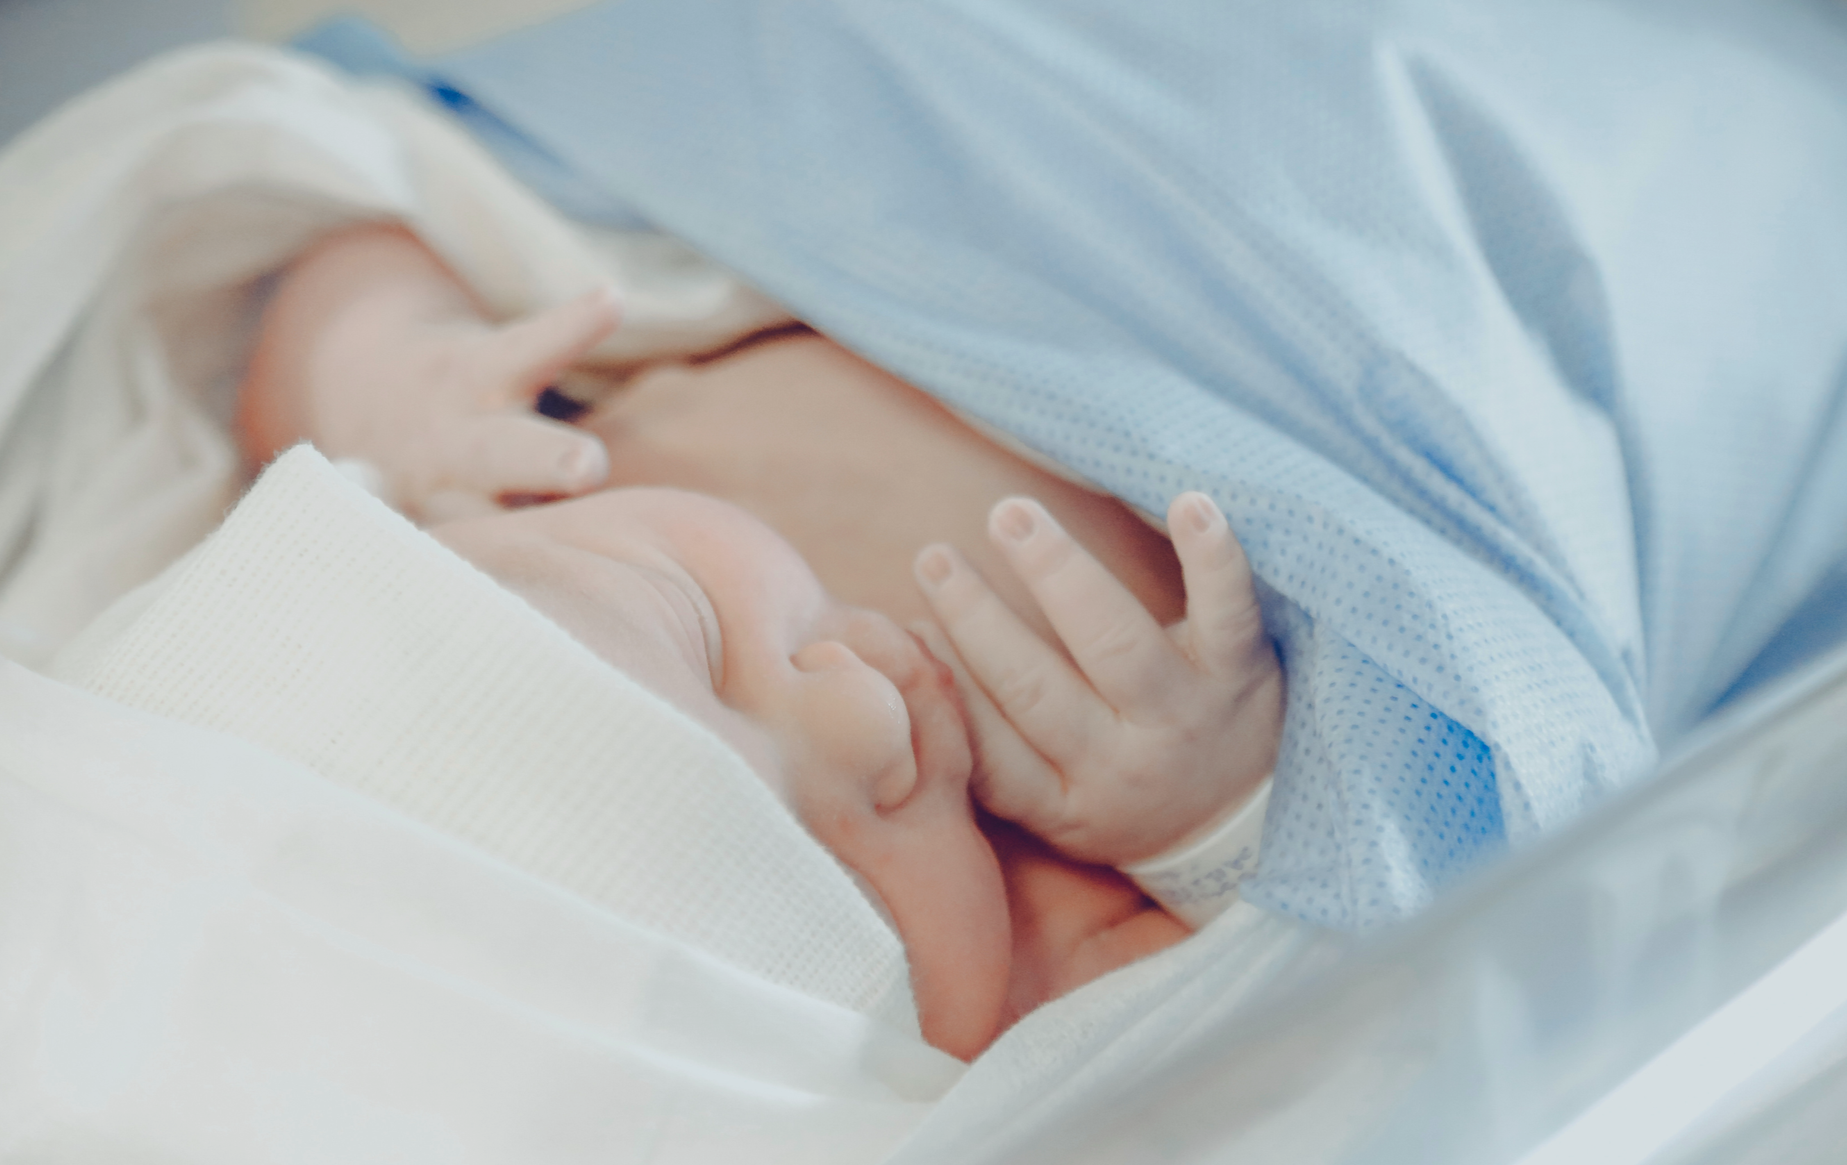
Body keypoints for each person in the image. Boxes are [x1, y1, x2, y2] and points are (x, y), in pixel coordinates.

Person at [235, 222, 1288, 1057]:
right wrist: (1199, 826)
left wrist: (389, 385)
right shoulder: (1020, 964)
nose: (862, 712)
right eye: (846, 894)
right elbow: (1280, 1017)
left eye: (695, 629)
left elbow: (344, 233)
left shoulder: (493, 497)